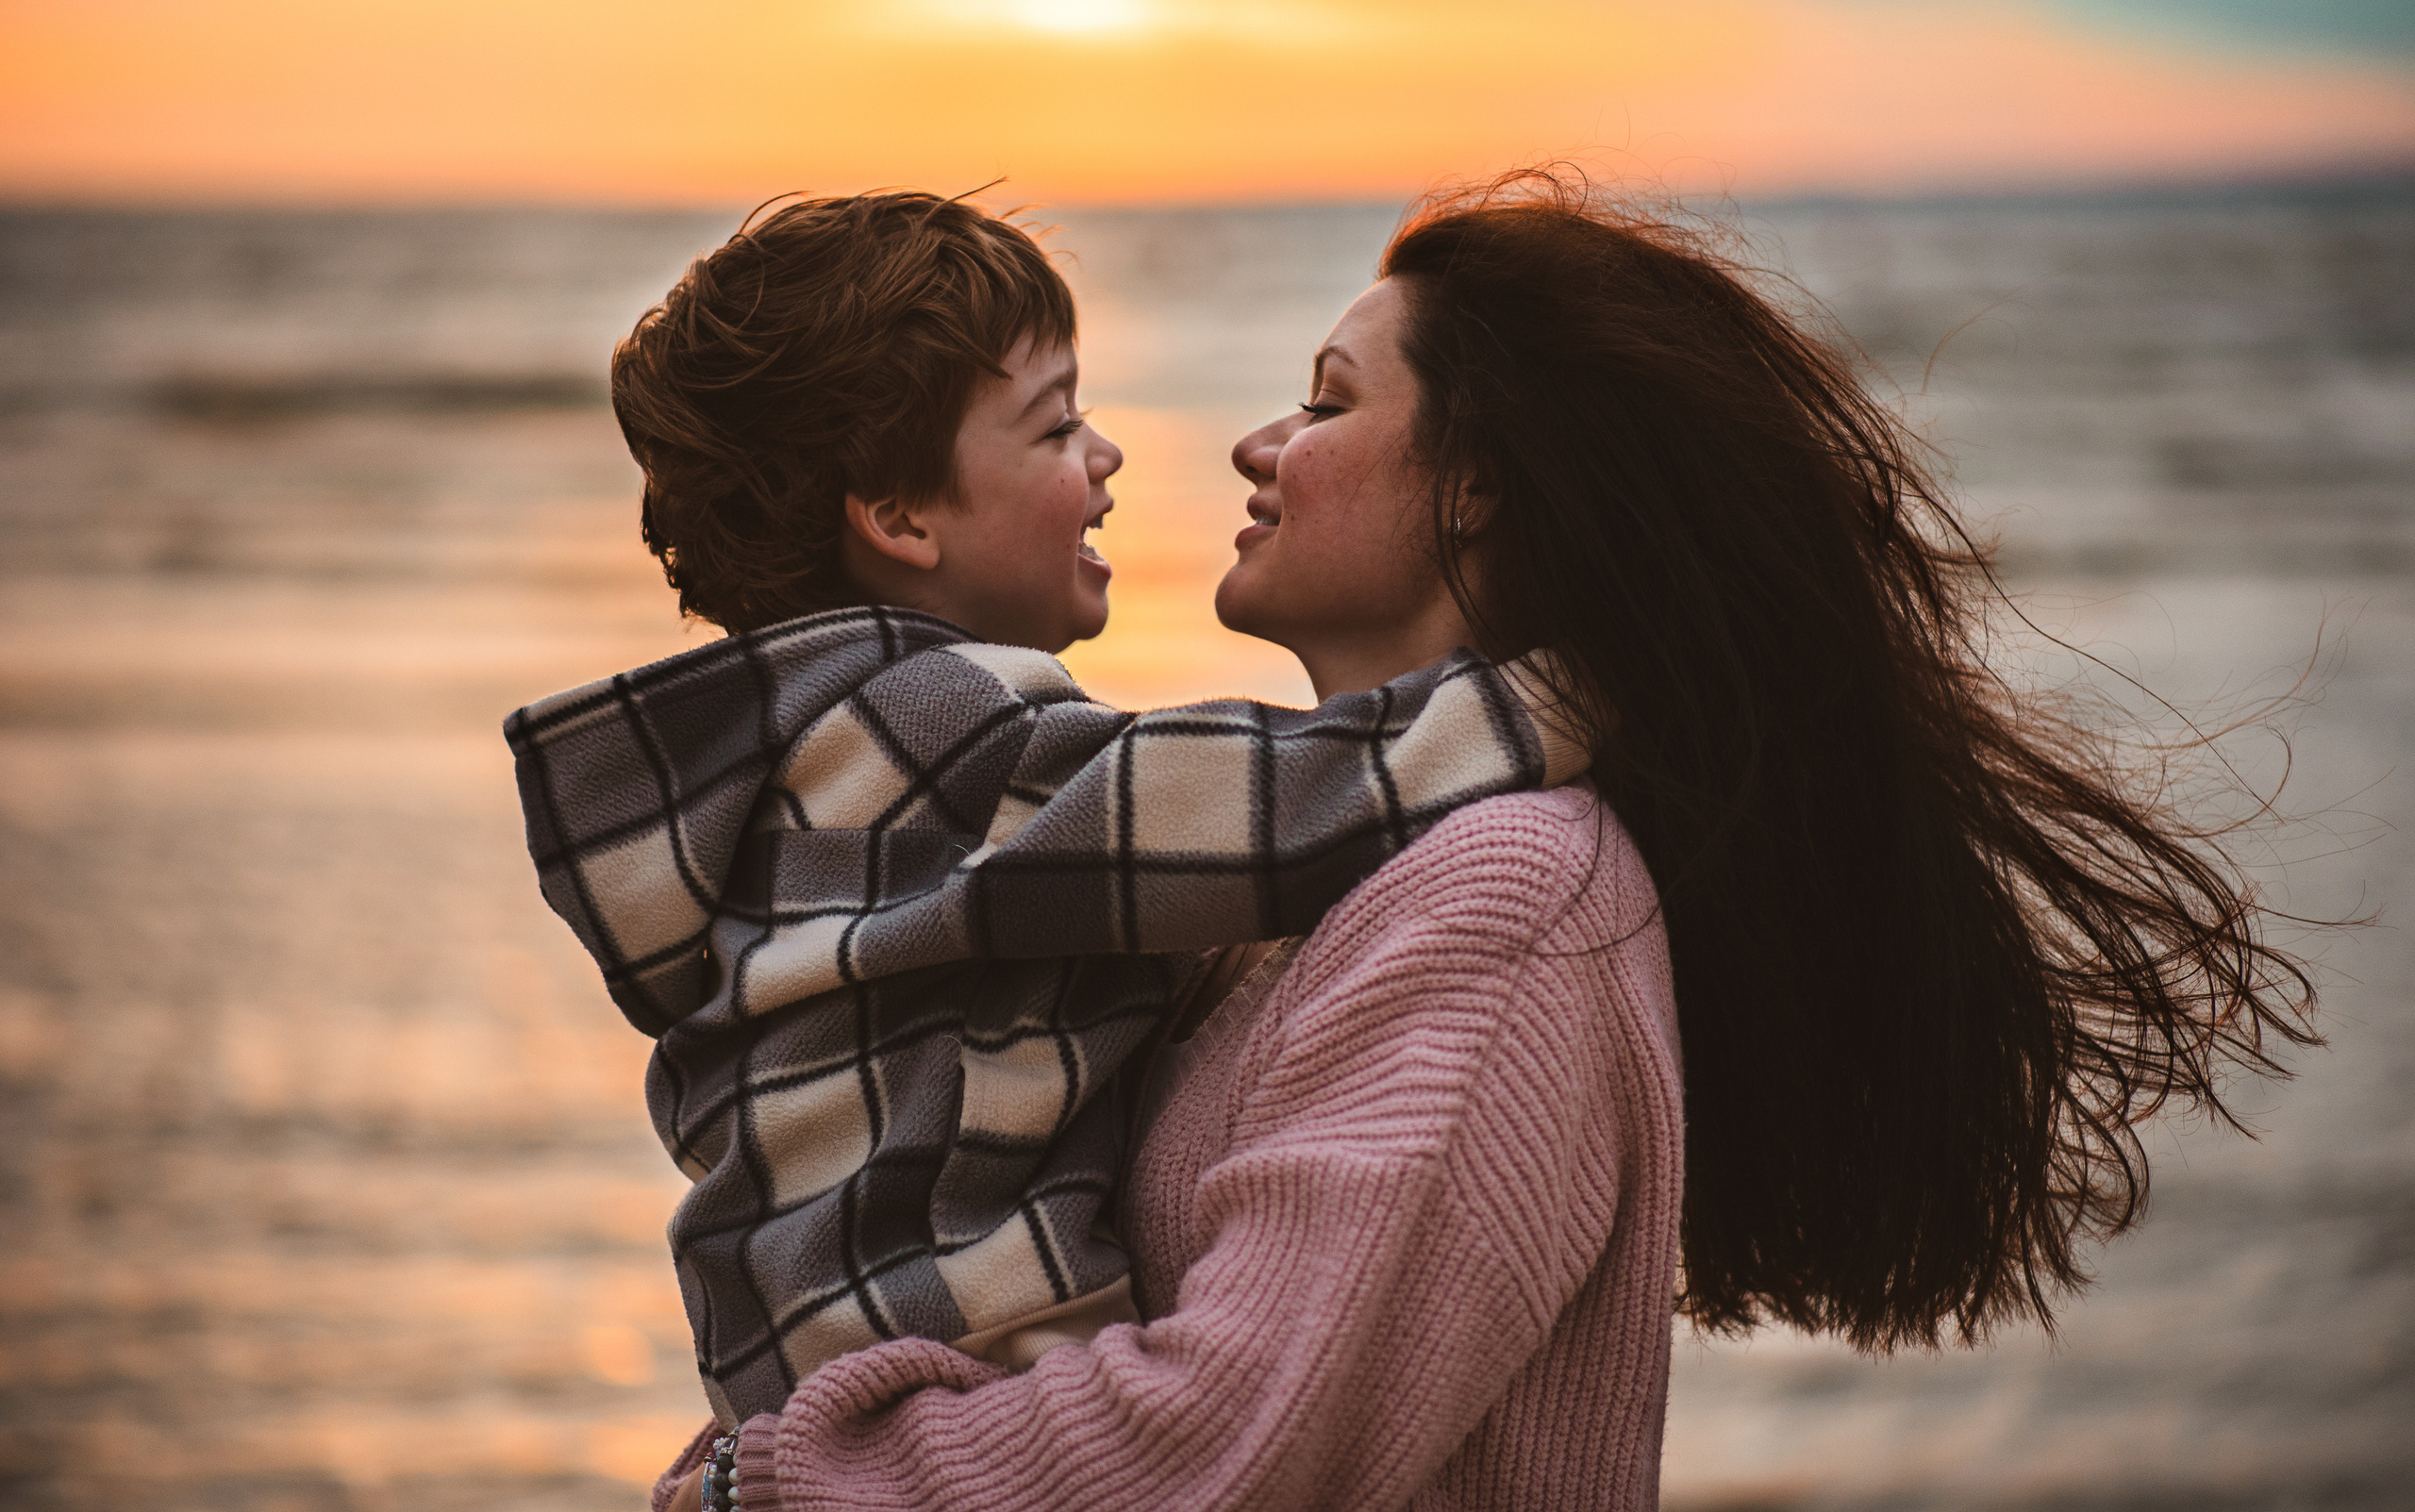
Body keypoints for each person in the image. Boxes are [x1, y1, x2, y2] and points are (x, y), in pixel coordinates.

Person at [660, 172, 2316, 1512]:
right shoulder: (1320, 883)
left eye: (1321, 404)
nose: (1252, 445)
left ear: (1475, 489)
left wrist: (763, 1488)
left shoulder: (1512, 895)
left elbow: (1230, 1449)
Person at [505, 191, 1585, 1436]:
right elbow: (1239, 809)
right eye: (1058, 425)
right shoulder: (918, 726)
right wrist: (1563, 699)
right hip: (947, 1364)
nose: (1106, 456)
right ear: (902, 516)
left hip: (822, 1369)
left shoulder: (794, 752)